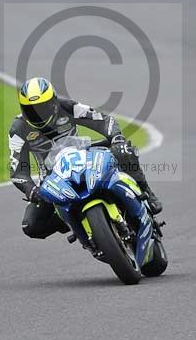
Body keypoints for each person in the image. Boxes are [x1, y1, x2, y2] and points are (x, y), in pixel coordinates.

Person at [9, 77, 163, 240]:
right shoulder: (18, 128)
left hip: (84, 157)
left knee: (124, 150)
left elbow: (104, 120)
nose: (37, 114)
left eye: (42, 108)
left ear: (53, 102)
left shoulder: (67, 107)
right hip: (52, 178)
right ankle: (72, 221)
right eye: (30, 109)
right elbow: (17, 170)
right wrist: (32, 190)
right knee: (31, 226)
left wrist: (116, 137)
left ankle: (146, 191)